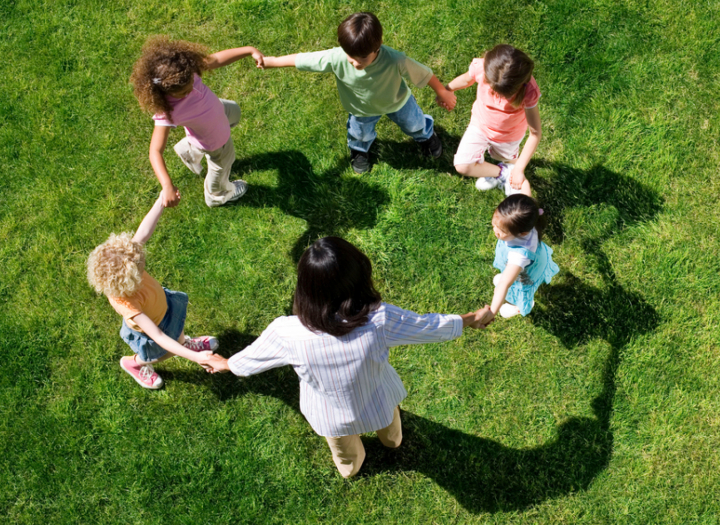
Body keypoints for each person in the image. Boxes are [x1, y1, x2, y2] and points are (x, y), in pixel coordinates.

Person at [205, 237, 493, 477]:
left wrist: (226, 364)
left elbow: (254, 358)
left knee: (344, 453)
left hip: (331, 416)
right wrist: (471, 318)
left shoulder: (286, 333)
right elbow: (430, 326)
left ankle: (351, 468)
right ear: (358, 280)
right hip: (378, 401)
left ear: (305, 289)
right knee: (391, 432)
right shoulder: (380, 319)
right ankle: (392, 443)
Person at [260, 12, 456, 173]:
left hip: (398, 102)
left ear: (377, 47)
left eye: (361, 57)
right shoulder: (336, 57)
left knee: (415, 123)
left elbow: (423, 74)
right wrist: (272, 61)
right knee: (359, 134)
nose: (354, 62)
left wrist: (442, 91)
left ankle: (426, 137)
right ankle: (360, 152)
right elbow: (303, 59)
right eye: (350, 56)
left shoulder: (395, 60)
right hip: (361, 109)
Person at [86, 197, 220, 389]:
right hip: (153, 329)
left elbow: (144, 232)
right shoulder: (127, 303)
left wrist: (161, 200)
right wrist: (196, 357)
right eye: (141, 267)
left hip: (164, 307)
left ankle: (183, 343)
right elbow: (158, 336)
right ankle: (134, 364)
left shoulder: (127, 256)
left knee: (178, 328)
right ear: (129, 280)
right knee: (163, 353)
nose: (143, 260)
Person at [130, 36, 264, 207]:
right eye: (184, 92)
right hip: (216, 141)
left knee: (234, 112)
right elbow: (155, 151)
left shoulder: (185, 70)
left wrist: (249, 49)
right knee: (223, 165)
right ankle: (217, 195)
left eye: (192, 83)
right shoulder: (167, 112)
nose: (191, 90)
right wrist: (167, 185)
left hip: (217, 111)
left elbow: (215, 59)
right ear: (164, 92)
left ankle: (188, 151)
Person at [445, 44, 543, 195]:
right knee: (462, 165)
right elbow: (466, 80)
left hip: (508, 136)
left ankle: (510, 169)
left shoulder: (529, 91)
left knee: (502, 157)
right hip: (480, 125)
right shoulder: (483, 68)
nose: (494, 96)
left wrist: (519, 169)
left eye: (501, 94)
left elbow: (535, 133)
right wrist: (446, 90)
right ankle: (503, 173)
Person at [488, 194, 559, 318]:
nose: (495, 230)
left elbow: (504, 283)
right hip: (533, 259)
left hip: (526, 272)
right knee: (505, 278)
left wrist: (492, 312)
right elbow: (524, 193)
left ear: (522, 233)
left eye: (502, 230)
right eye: (494, 223)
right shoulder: (525, 212)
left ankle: (519, 307)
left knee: (519, 289)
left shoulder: (519, 255)